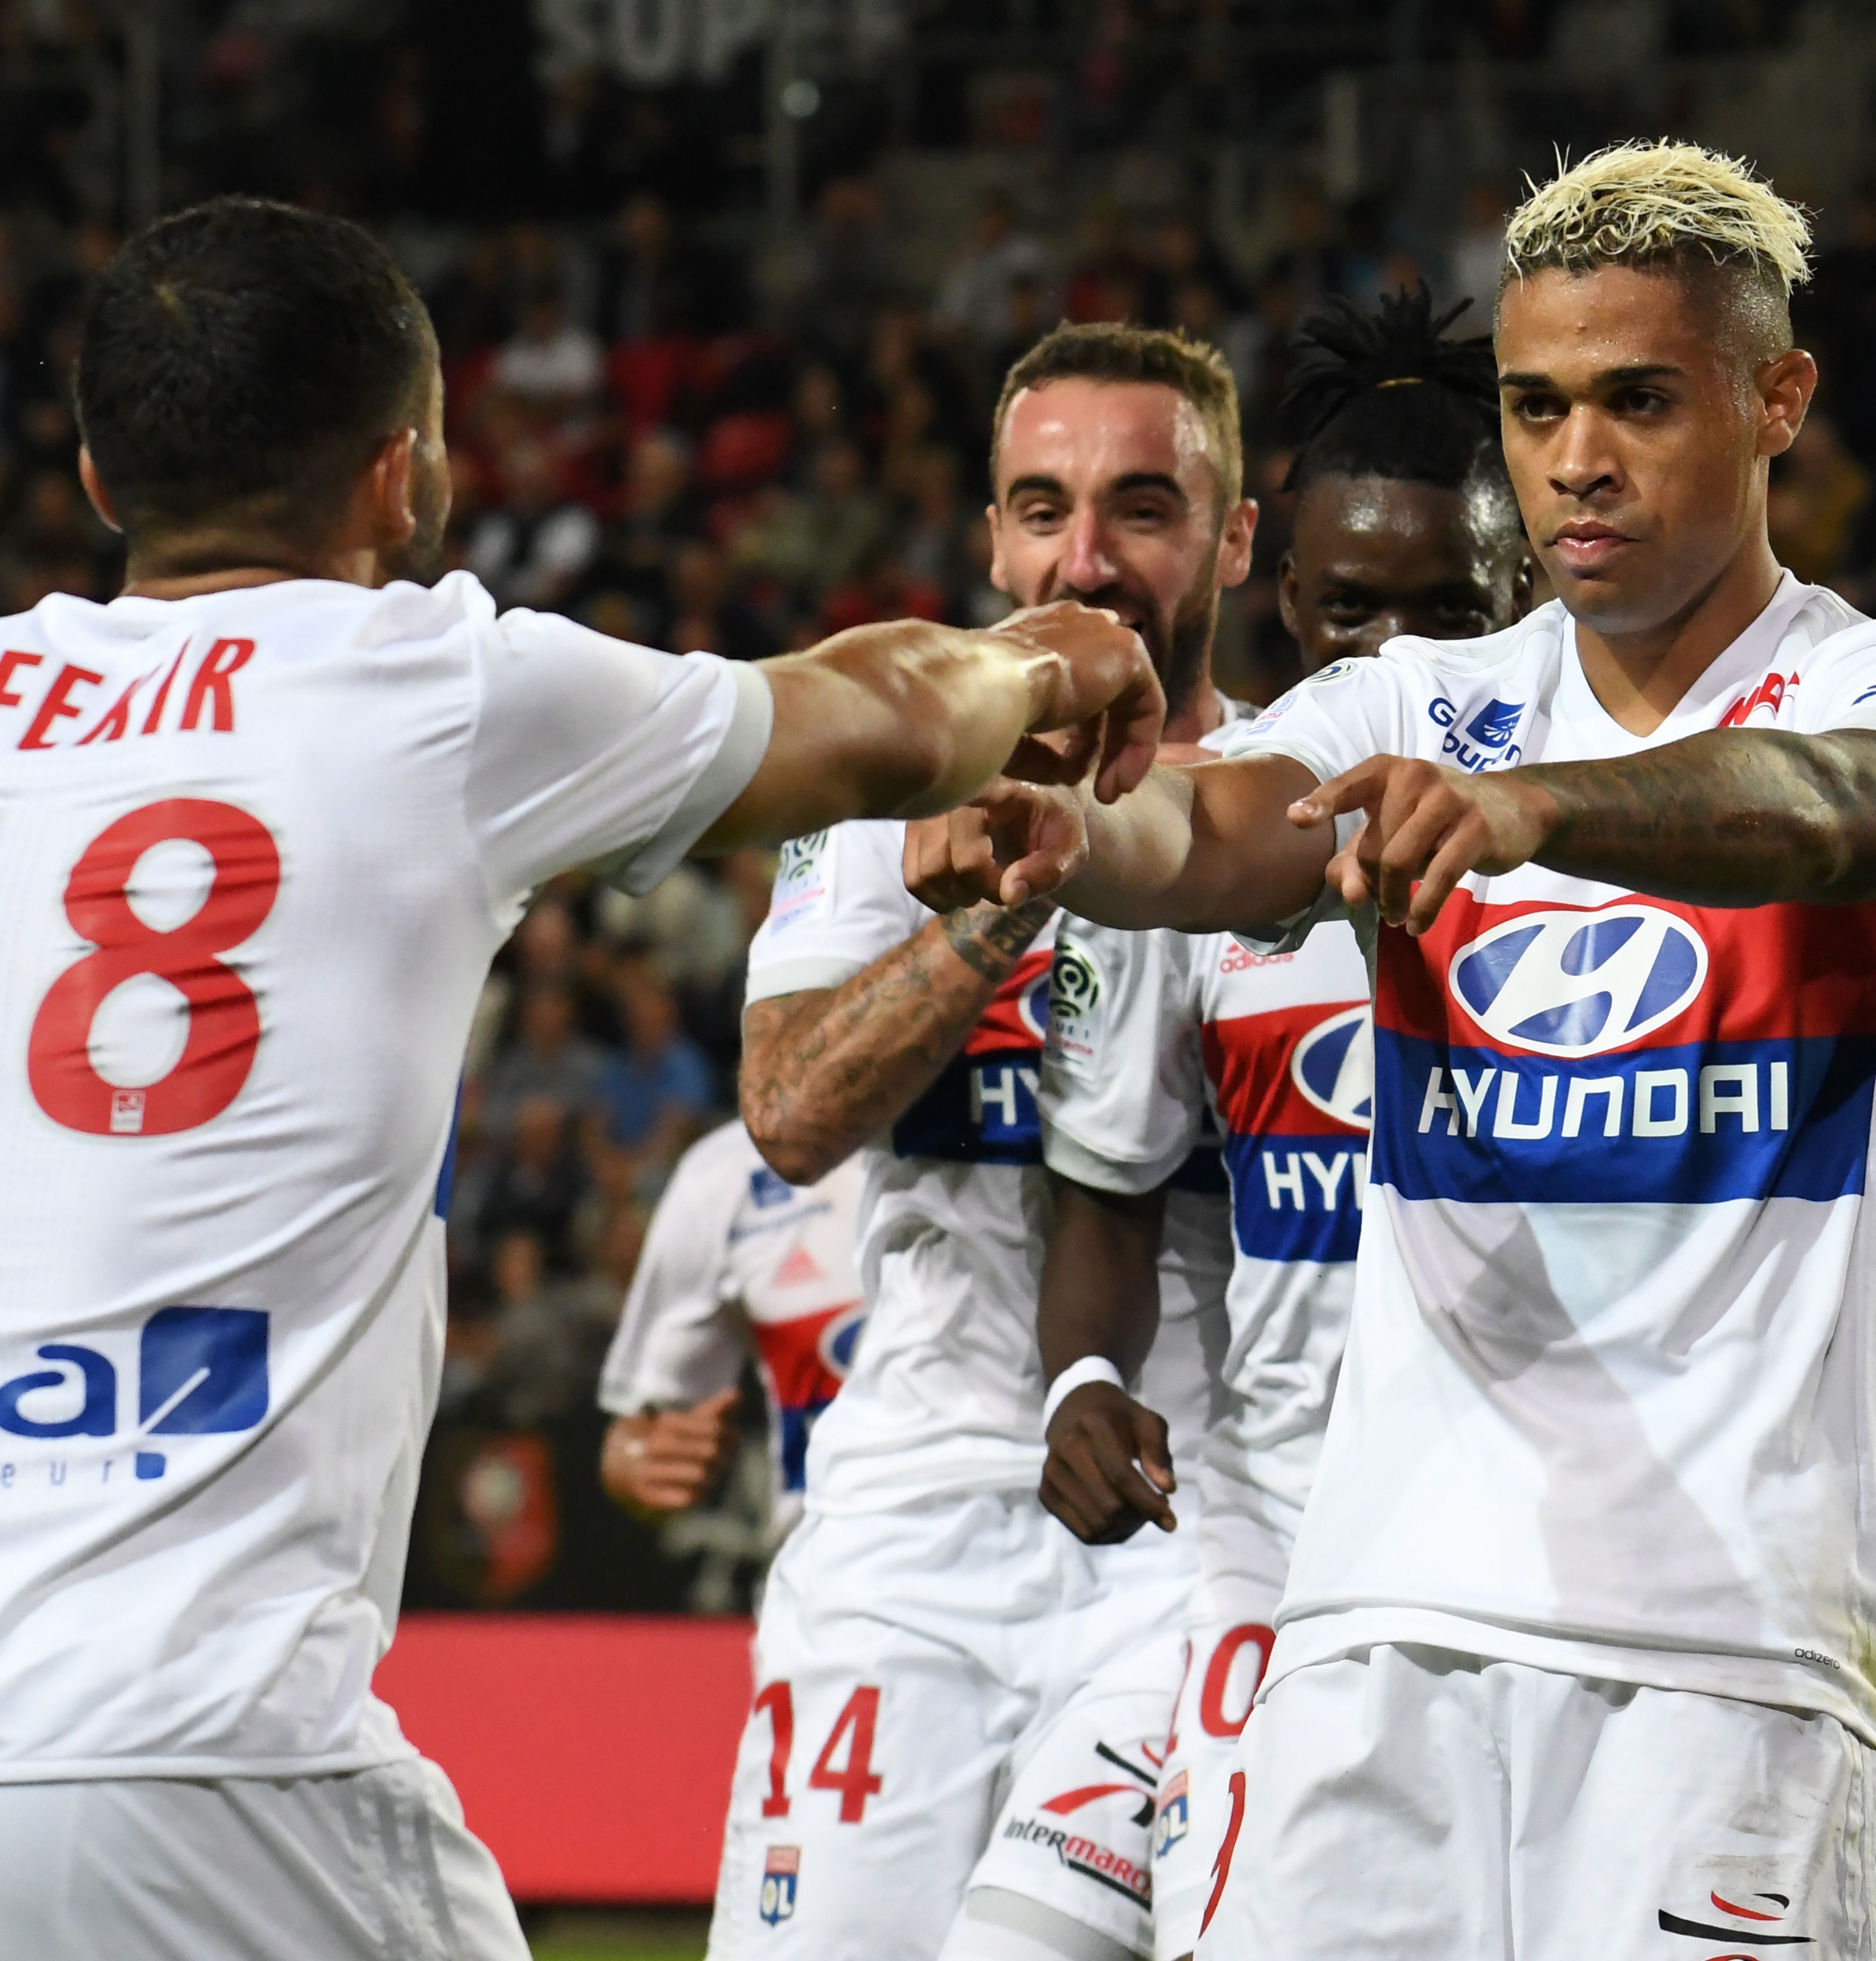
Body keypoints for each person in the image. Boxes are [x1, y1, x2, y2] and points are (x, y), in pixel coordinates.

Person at [0, 197, 1166, 1961]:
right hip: (170, 1737)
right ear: (401, 476)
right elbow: (892, 718)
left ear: (94, 474)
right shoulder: (429, 688)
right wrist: (1054, 656)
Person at [911, 141, 1876, 1959]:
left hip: (1726, 1659)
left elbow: (1834, 810)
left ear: (1774, 403)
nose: (1574, 457)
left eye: (1635, 400)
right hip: (1378, 1631)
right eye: (1533, 407)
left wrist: (1536, 812)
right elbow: (1216, 827)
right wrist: (1067, 832)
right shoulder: (1419, 698)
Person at [712, 321, 1255, 1961]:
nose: (1084, 559)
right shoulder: (878, 803)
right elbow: (792, 1114)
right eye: (1042, 508)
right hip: (908, 1530)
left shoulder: (1287, 810)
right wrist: (992, 920)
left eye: (1142, 508)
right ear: (992, 539)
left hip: (1192, 1528)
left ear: (1235, 539)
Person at [1027, 286, 1527, 1961]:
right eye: (1351, 611)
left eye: (1449, 613)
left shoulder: (1599, 848)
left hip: (1539, 1546)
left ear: (1524, 595)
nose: (1397, 661)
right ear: (1287, 599)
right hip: (1282, 1538)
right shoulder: (1189, 860)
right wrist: (1083, 1385)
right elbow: (1108, 1194)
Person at [595, 1119, 866, 1536]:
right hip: (835, 1552)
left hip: (980, 1535)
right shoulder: (722, 1173)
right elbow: (639, 1427)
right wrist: (643, 1461)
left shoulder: (976, 1135)